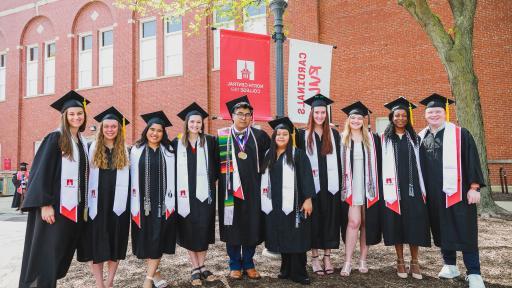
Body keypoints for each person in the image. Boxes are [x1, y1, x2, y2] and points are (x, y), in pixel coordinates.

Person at [19, 90, 91, 288]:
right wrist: (45, 204)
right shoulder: (55, 138)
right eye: (72, 114)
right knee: (46, 255)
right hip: (55, 208)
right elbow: (41, 172)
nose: (76, 117)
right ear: (65, 116)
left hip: (72, 209)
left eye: (80, 113)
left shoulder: (82, 142)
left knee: (58, 254)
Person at [418, 93, 486, 288]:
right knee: (441, 230)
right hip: (433, 196)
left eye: (438, 111)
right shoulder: (421, 137)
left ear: (445, 112)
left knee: (464, 230)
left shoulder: (460, 134)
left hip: (459, 194)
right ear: (425, 115)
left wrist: (474, 187)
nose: (434, 115)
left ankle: (474, 272)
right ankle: (450, 265)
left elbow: (472, 160)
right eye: (430, 112)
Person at [217, 95, 271, 280]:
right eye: (240, 114)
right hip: (228, 191)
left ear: (251, 117)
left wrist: (261, 175)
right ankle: (234, 264)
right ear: (232, 116)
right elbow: (213, 166)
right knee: (232, 226)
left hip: (253, 190)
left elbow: (270, 157)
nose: (244, 117)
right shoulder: (222, 136)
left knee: (251, 226)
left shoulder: (259, 135)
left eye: (247, 114)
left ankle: (248, 263)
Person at [380, 97, 430, 279]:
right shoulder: (383, 140)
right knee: (396, 225)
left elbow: (423, 165)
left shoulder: (416, 139)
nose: (400, 118)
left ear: (408, 118)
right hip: (393, 190)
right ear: (391, 117)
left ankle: (415, 261)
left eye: (403, 115)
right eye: (397, 115)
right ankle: (400, 260)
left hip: (413, 190)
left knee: (414, 224)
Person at [261, 117, 315, 285]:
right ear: (274, 136)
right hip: (275, 204)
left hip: (294, 203)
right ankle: (285, 269)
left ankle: (298, 272)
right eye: (278, 134)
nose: (282, 137)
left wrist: (308, 199)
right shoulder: (268, 155)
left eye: (285, 134)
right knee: (281, 236)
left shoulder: (298, 154)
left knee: (296, 237)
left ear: (290, 136)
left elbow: (306, 177)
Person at [84, 107, 131, 288]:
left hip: (119, 206)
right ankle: (99, 284)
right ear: (102, 128)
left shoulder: (126, 151)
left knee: (115, 243)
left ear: (119, 129)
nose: (110, 130)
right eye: (107, 126)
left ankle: (110, 282)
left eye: (114, 127)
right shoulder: (91, 149)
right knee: (96, 244)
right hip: (97, 205)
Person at [297, 94, 342, 276]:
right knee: (314, 221)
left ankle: (327, 256)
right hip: (312, 187)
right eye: (317, 112)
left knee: (331, 220)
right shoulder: (302, 135)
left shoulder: (335, 134)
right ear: (312, 113)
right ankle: (315, 257)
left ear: (327, 114)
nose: (320, 115)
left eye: (323, 112)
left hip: (331, 187)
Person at [130, 111, 176, 288]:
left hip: (163, 204)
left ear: (163, 134)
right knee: (146, 240)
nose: (155, 133)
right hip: (142, 204)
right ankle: (155, 272)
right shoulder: (135, 150)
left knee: (158, 239)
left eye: (159, 130)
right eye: (152, 129)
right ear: (146, 130)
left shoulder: (169, 151)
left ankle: (148, 280)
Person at [173, 102, 218, 286]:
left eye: (198, 122)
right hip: (185, 195)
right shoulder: (177, 142)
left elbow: (216, 166)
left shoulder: (210, 141)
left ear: (202, 124)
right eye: (192, 122)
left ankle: (202, 266)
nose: (195, 125)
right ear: (187, 123)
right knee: (189, 229)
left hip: (204, 194)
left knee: (204, 228)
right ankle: (195, 268)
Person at [339, 101, 382, 277]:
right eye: (352, 117)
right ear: (348, 120)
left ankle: (363, 259)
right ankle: (348, 261)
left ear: (364, 120)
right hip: (350, 187)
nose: (356, 120)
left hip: (369, 187)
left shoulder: (373, 139)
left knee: (366, 223)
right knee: (353, 223)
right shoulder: (341, 139)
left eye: (359, 117)